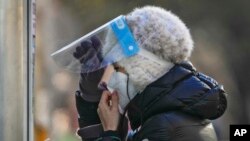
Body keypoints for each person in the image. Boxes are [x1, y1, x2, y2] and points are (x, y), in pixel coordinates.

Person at [72, 6, 227, 141]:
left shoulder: (165, 127)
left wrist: (111, 134)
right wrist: (91, 99)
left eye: (117, 67)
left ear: (142, 68)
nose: (111, 79)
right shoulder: (167, 118)